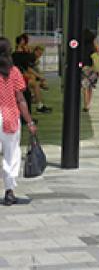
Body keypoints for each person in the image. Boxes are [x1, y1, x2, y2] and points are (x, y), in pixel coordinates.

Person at [0, 37, 38, 206]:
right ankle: (9, 191)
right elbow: (21, 99)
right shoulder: (14, 72)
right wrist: (29, 122)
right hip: (10, 116)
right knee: (11, 154)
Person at [81, 30, 99, 112]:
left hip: (84, 69)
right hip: (93, 69)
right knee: (90, 87)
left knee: (85, 87)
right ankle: (88, 104)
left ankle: (86, 104)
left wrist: (80, 66)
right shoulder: (94, 47)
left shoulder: (81, 46)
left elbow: (80, 60)